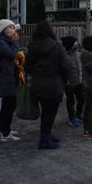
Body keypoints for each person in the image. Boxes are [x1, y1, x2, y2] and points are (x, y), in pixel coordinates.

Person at [25, 21, 68, 149]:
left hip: (37, 85)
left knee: (46, 112)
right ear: (50, 31)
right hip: (53, 85)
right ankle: (44, 139)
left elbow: (27, 67)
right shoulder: (57, 47)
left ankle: (46, 135)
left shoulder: (31, 47)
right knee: (50, 113)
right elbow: (64, 67)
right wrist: (64, 81)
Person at [0, 19, 21, 143]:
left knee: (7, 106)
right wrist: (15, 42)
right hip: (5, 78)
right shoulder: (1, 43)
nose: (12, 30)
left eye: (13, 27)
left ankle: (4, 129)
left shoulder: (3, 41)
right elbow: (13, 54)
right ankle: (6, 135)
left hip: (7, 77)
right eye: (9, 28)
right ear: (3, 29)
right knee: (9, 105)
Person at [61, 36, 85, 127]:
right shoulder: (63, 56)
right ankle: (72, 118)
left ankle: (78, 114)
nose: (76, 44)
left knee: (81, 98)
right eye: (74, 43)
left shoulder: (78, 54)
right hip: (68, 83)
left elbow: (89, 46)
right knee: (71, 101)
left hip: (79, 81)